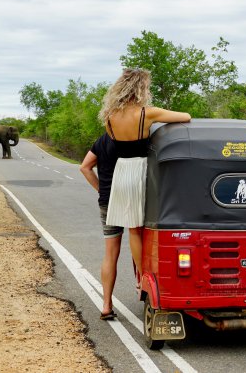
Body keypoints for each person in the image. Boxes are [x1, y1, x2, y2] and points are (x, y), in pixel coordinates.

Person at [99, 68, 191, 298]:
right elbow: (185, 117)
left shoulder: (110, 116)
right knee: (144, 228)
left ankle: (141, 276)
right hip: (141, 170)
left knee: (133, 229)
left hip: (122, 171)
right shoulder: (146, 113)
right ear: (141, 88)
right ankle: (146, 275)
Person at [80, 134, 123, 320]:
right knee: (142, 243)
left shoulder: (102, 140)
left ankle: (106, 304)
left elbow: (85, 167)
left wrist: (101, 189)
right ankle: (144, 289)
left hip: (108, 201)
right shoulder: (138, 136)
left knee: (111, 253)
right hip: (135, 199)